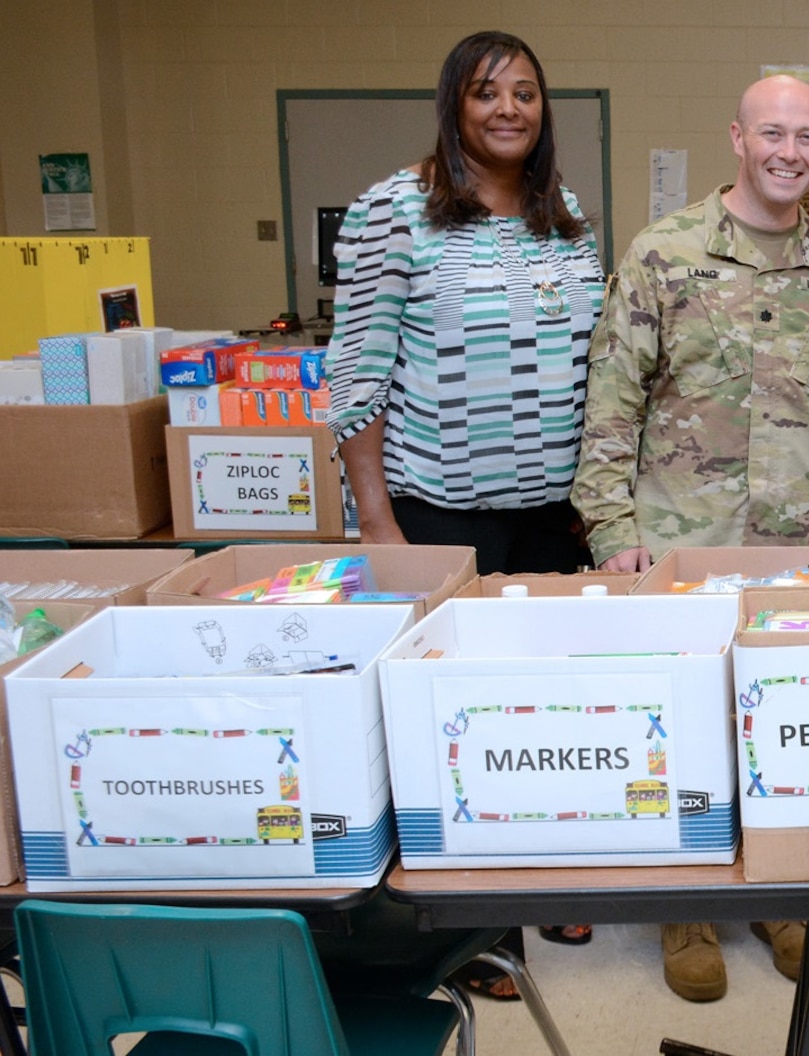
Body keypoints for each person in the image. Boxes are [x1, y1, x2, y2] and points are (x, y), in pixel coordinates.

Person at [570, 74, 809, 1001]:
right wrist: (613, 529)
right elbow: (612, 401)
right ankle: (688, 910)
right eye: (773, 134)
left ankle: (783, 901)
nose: (791, 152)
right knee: (691, 724)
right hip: (684, 542)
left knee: (788, 723)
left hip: (807, 550)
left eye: (808, 138)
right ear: (738, 140)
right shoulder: (665, 255)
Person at [323, 30, 605, 999]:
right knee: (457, 724)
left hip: (548, 519)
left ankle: (544, 877)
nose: (510, 110)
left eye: (526, 92)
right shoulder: (393, 211)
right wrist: (376, 524)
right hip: (439, 513)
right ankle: (477, 931)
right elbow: (353, 378)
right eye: (488, 93)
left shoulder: (560, 211)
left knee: (545, 714)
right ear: (454, 104)